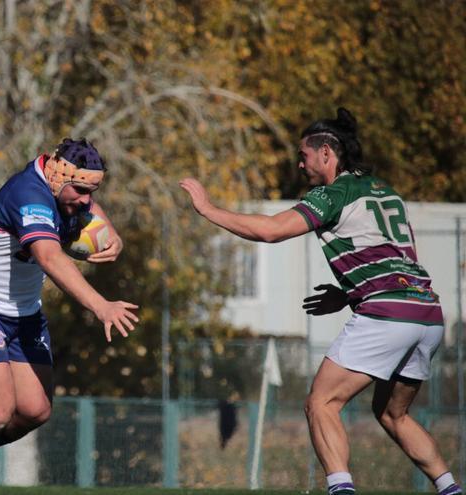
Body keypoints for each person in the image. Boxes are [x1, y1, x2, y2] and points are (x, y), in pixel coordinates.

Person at [179, 107, 462, 495]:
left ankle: (340, 491)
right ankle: (450, 489)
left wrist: (208, 209)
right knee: (393, 413)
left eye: (304, 155)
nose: (299, 164)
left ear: (327, 153)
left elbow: (270, 231)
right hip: (427, 313)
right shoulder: (384, 190)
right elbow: (388, 256)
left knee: (321, 403)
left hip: (387, 314)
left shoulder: (333, 193)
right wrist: (349, 294)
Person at [0, 137, 139, 476]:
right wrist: (100, 306)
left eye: (92, 191)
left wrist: (113, 235)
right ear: (59, 175)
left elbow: (89, 206)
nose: (87, 200)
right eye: (80, 189)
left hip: (24, 312)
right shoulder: (28, 194)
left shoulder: (66, 192)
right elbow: (48, 257)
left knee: (35, 410)